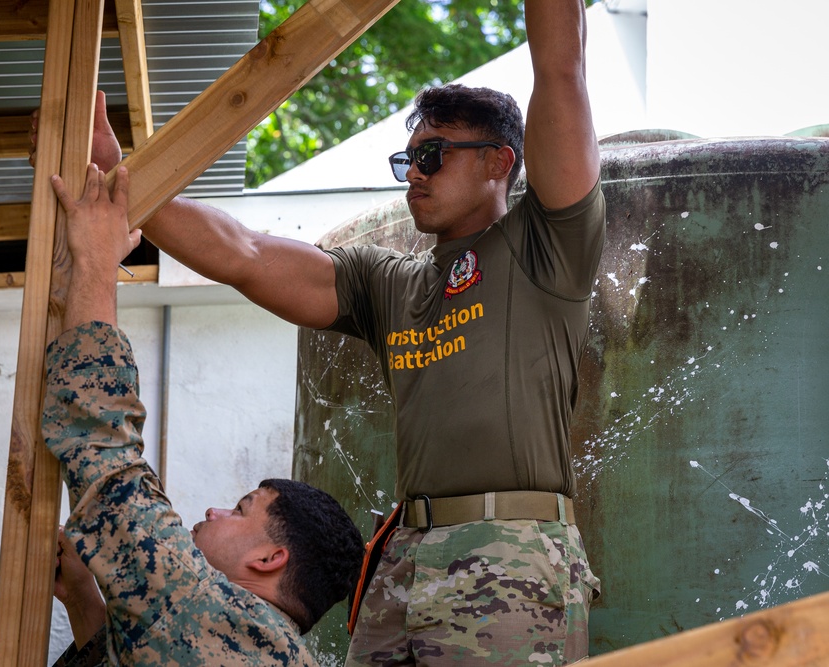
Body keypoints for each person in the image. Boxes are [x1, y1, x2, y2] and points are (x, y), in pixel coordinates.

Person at [40, 0, 605, 662]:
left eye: (432, 153)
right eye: (408, 159)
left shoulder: (548, 245)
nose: (415, 174)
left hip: (511, 549)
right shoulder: (388, 283)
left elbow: (561, 69)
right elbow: (244, 253)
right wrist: (124, 184)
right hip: (405, 560)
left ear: (497, 162)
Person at [42, 163, 365, 665]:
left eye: (240, 509)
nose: (214, 512)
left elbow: (101, 443)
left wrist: (95, 259)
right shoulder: (272, 650)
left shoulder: (210, 611)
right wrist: (85, 596)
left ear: (269, 559)